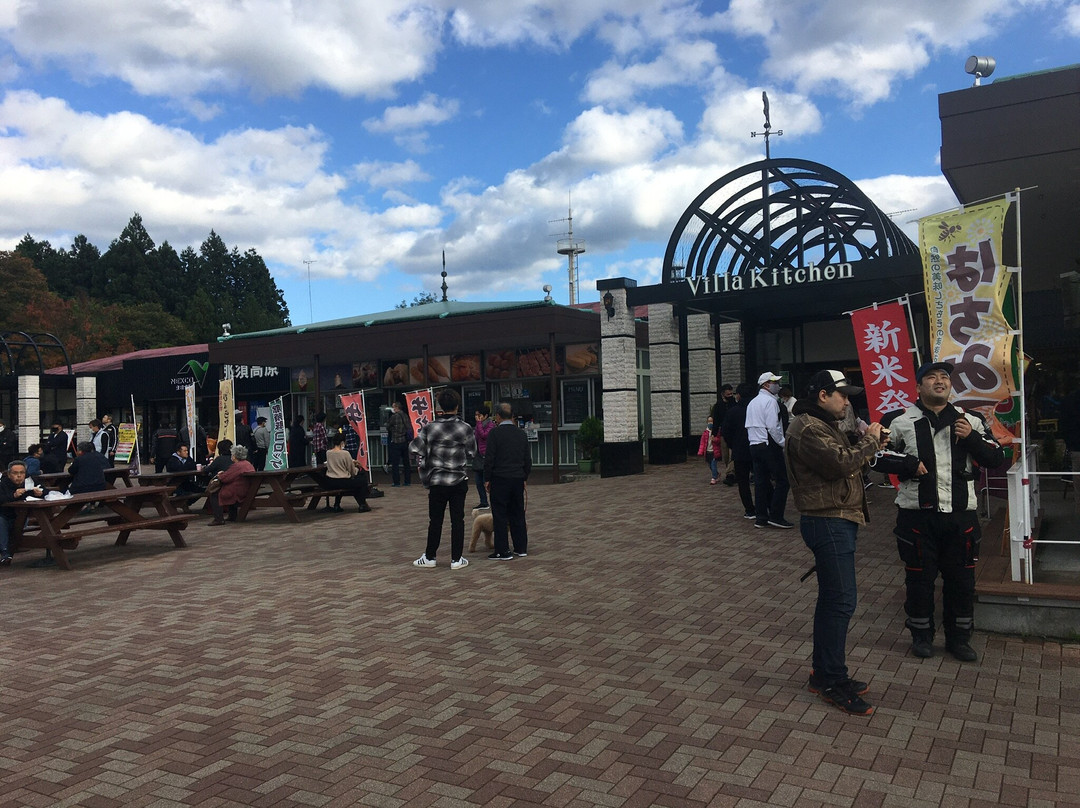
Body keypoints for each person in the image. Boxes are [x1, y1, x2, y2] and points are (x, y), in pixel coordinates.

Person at [874, 361, 1007, 662]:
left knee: (961, 582)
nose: (939, 382)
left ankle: (959, 639)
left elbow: (996, 458)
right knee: (919, 581)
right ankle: (921, 636)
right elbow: (877, 457)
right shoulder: (899, 420)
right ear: (918, 387)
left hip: (961, 517)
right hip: (916, 517)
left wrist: (971, 438)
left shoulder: (970, 419)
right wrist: (906, 464)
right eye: (931, 377)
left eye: (944, 377)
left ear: (950, 386)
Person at [785, 370, 885, 716]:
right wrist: (869, 441)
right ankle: (831, 680)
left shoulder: (820, 423)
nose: (848, 401)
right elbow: (841, 463)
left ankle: (824, 673)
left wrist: (867, 444)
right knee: (841, 601)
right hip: (828, 520)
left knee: (834, 600)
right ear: (823, 395)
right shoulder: (809, 427)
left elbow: (846, 458)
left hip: (836, 519)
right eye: (842, 395)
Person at [410, 389, 476, 570]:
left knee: (435, 520)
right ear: (457, 406)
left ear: (440, 406)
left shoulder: (429, 427)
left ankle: (430, 556)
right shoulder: (465, 428)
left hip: (437, 479)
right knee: (458, 520)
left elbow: (414, 447)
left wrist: (430, 452)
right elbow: (472, 452)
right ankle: (456, 559)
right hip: (458, 479)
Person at [745, 371, 793, 529]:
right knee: (783, 480)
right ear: (766, 384)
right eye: (774, 382)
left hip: (754, 445)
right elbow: (773, 427)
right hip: (768, 446)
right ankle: (776, 516)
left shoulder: (753, 402)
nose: (777, 385)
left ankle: (761, 517)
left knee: (761, 482)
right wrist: (783, 443)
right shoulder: (770, 402)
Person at [484, 402, 532, 560]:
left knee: (500, 514)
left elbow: (489, 458)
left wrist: (487, 479)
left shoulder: (494, 434)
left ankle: (502, 550)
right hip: (517, 477)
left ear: (497, 416)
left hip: (500, 478)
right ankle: (521, 547)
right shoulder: (521, 434)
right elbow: (527, 459)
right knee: (518, 513)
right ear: (512, 416)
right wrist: (524, 477)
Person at [722, 383, 757, 518]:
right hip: (757, 448)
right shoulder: (757, 409)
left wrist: (733, 445)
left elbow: (726, 432)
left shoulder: (733, 411)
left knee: (743, 482)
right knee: (761, 479)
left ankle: (749, 509)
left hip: (739, 451)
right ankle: (765, 506)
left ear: (739, 395)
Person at [0, 460, 45, 564]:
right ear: (9, 474)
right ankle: (5, 553)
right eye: (15, 473)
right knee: (1, 522)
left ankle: (11, 548)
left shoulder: (30, 481)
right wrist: (14, 495)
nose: (19, 476)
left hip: (24, 516)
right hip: (5, 515)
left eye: (22, 473)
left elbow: (45, 491)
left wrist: (40, 493)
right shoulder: (3, 483)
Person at [317, 433, 371, 513]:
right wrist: (357, 467)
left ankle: (337, 504)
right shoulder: (345, 453)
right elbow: (351, 471)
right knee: (362, 480)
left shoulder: (328, 452)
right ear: (342, 442)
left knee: (347, 484)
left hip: (330, 481)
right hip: (343, 480)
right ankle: (362, 504)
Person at [207, 445, 255, 525]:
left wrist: (220, 475)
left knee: (214, 493)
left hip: (238, 491)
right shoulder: (247, 464)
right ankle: (232, 516)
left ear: (234, 456)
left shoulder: (237, 466)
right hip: (245, 488)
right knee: (229, 491)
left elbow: (225, 478)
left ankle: (218, 519)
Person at [386, 401, 412, 487]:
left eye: (393, 407)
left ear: (397, 407)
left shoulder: (394, 417)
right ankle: (407, 481)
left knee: (395, 463)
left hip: (396, 441)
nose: (392, 409)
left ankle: (396, 482)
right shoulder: (405, 415)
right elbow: (408, 426)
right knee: (406, 462)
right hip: (405, 441)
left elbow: (388, 426)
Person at [473, 404, 494, 507]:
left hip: (487, 455)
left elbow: (484, 435)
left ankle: (492, 501)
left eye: (479, 415)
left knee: (486, 480)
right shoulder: (478, 424)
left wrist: (479, 423)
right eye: (476, 415)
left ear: (485, 415)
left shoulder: (490, 425)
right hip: (478, 455)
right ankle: (483, 501)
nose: (477, 417)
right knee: (478, 480)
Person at [698, 415, 721, 484]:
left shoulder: (717, 432)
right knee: (710, 465)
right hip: (708, 451)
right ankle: (716, 474)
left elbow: (719, 440)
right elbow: (703, 443)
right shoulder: (705, 433)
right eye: (709, 422)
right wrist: (700, 451)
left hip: (714, 451)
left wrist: (715, 439)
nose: (710, 423)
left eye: (711, 421)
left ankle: (714, 478)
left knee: (713, 464)